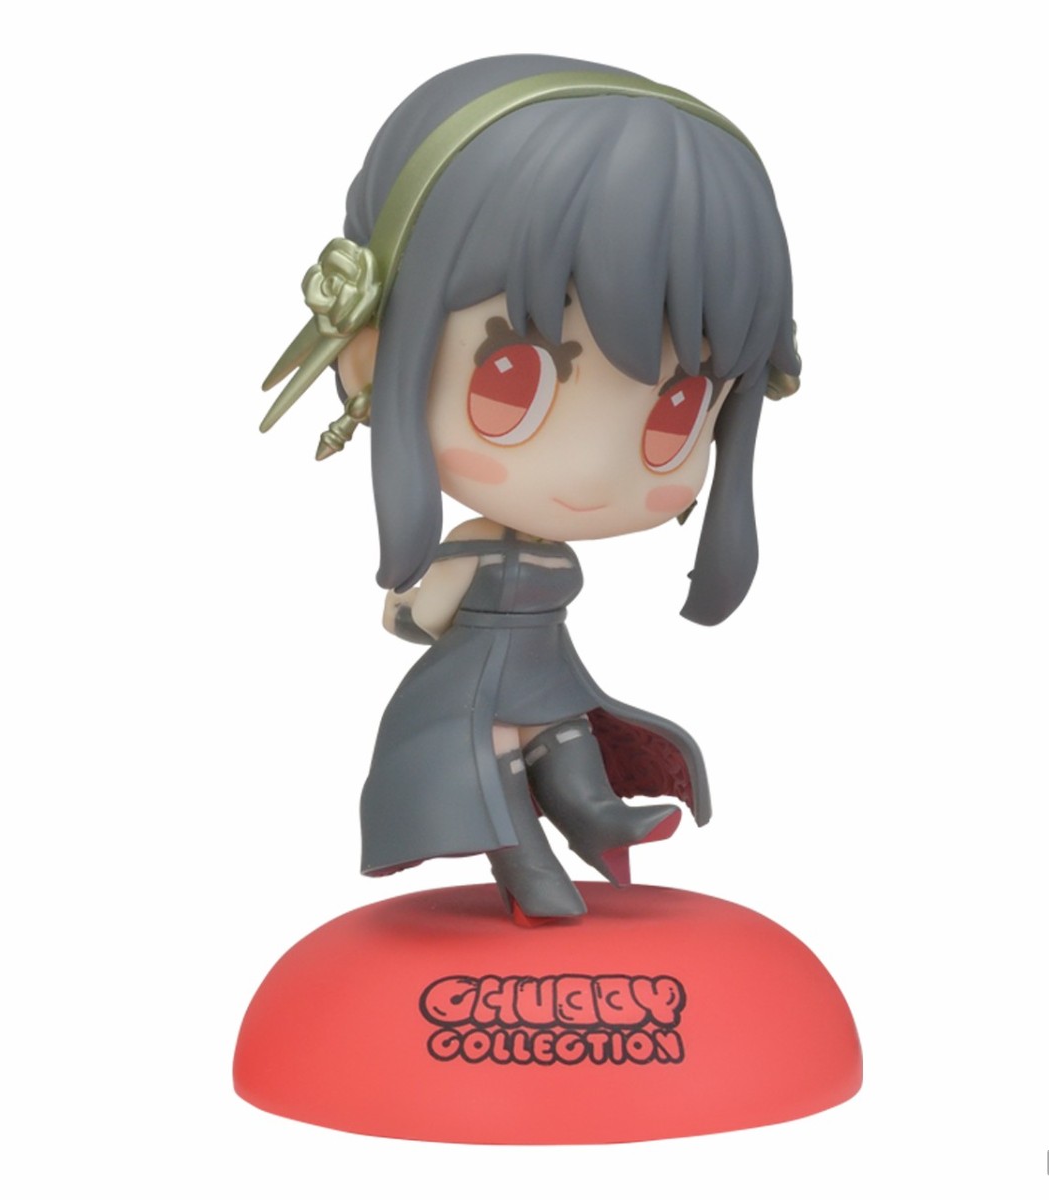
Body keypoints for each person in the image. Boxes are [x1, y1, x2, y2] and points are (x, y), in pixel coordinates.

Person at [261, 55, 801, 923]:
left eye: (679, 410)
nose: (590, 474)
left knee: (566, 740)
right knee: (497, 774)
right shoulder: (472, 552)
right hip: (469, 701)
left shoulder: (528, 557)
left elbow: (416, 618)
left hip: (546, 688)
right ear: (371, 355)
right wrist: (416, 606)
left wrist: (418, 613)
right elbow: (416, 617)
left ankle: (594, 813)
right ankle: (535, 872)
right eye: (511, 384)